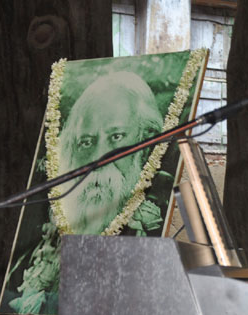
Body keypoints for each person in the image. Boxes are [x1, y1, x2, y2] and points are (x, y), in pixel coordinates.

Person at [55, 70, 165, 235]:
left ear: (146, 140)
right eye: (86, 142)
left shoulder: (165, 204)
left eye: (116, 137)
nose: (98, 159)